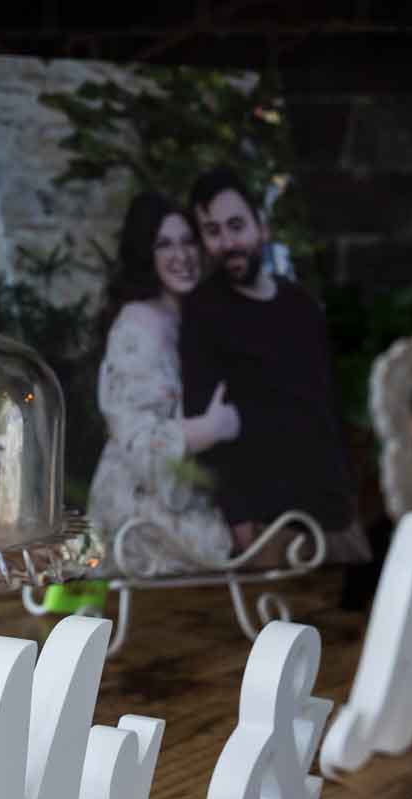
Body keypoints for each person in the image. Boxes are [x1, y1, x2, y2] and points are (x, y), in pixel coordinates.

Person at [178, 165, 358, 554]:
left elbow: (330, 405)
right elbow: (206, 414)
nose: (227, 242)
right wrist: (240, 519)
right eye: (213, 231)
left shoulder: (303, 306)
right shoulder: (202, 311)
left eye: (236, 225)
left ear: (262, 227)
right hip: (268, 520)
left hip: (335, 509)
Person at [87, 192, 238, 573]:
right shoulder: (139, 325)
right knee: (237, 539)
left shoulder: (193, 315)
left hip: (187, 483)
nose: (182, 256)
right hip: (140, 501)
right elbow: (138, 440)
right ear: (146, 254)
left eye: (188, 242)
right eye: (164, 244)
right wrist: (210, 429)